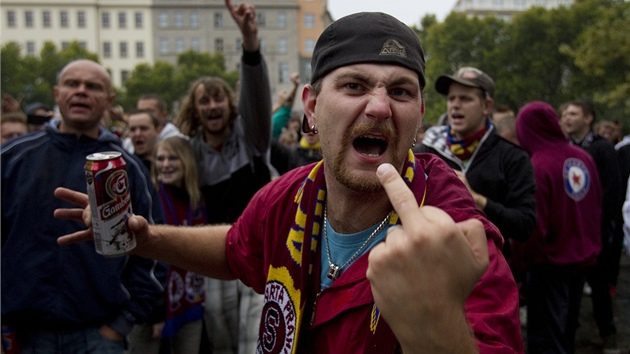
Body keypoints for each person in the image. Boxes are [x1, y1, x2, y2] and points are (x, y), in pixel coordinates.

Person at [55, 10, 524, 353]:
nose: (380, 107)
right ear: (313, 108)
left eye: (400, 91)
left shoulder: (450, 226)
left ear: (419, 115)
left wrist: (439, 330)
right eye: (355, 86)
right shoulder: (290, 194)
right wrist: (147, 238)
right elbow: (237, 249)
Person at [1, 59, 166, 354]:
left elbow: (156, 248)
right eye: (72, 84)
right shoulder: (13, 158)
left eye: (92, 86)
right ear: (56, 92)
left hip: (99, 337)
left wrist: (121, 325)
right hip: (23, 336)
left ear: (109, 99)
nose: (81, 92)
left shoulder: (129, 168)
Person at [173, 1, 271, 353]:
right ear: (196, 110)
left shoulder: (252, 137)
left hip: (261, 250)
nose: (213, 106)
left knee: (254, 336)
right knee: (221, 336)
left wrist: (250, 42)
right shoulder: (191, 154)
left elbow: (257, 96)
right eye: (205, 101)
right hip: (219, 252)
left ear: (230, 105)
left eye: (218, 99)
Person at [416, 67, 537, 265]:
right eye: (451, 98)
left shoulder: (513, 157)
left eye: (465, 99)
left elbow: (525, 226)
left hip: (491, 274)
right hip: (433, 270)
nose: (455, 105)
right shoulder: (425, 152)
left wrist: (477, 199)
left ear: (487, 106)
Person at [513, 101, 603, 353]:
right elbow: (597, 206)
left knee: (546, 338)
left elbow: (533, 227)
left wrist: (520, 265)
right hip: (581, 260)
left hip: (548, 265)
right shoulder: (583, 157)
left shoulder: (538, 166)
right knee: (567, 331)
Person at [128, 136, 208, 354]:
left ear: (187, 161)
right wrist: (154, 310)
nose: (165, 164)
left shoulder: (198, 201)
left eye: (173, 158)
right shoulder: (148, 197)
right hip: (152, 308)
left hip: (191, 303)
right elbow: (141, 257)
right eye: (160, 159)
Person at [560, 99, 623, 352]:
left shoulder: (603, 149)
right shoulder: (564, 148)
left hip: (596, 231)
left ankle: (609, 336)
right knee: (572, 290)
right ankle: (570, 338)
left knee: (599, 287)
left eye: (573, 113)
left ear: (588, 118)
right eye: (564, 113)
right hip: (572, 233)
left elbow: (612, 192)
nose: (566, 117)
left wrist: (598, 224)